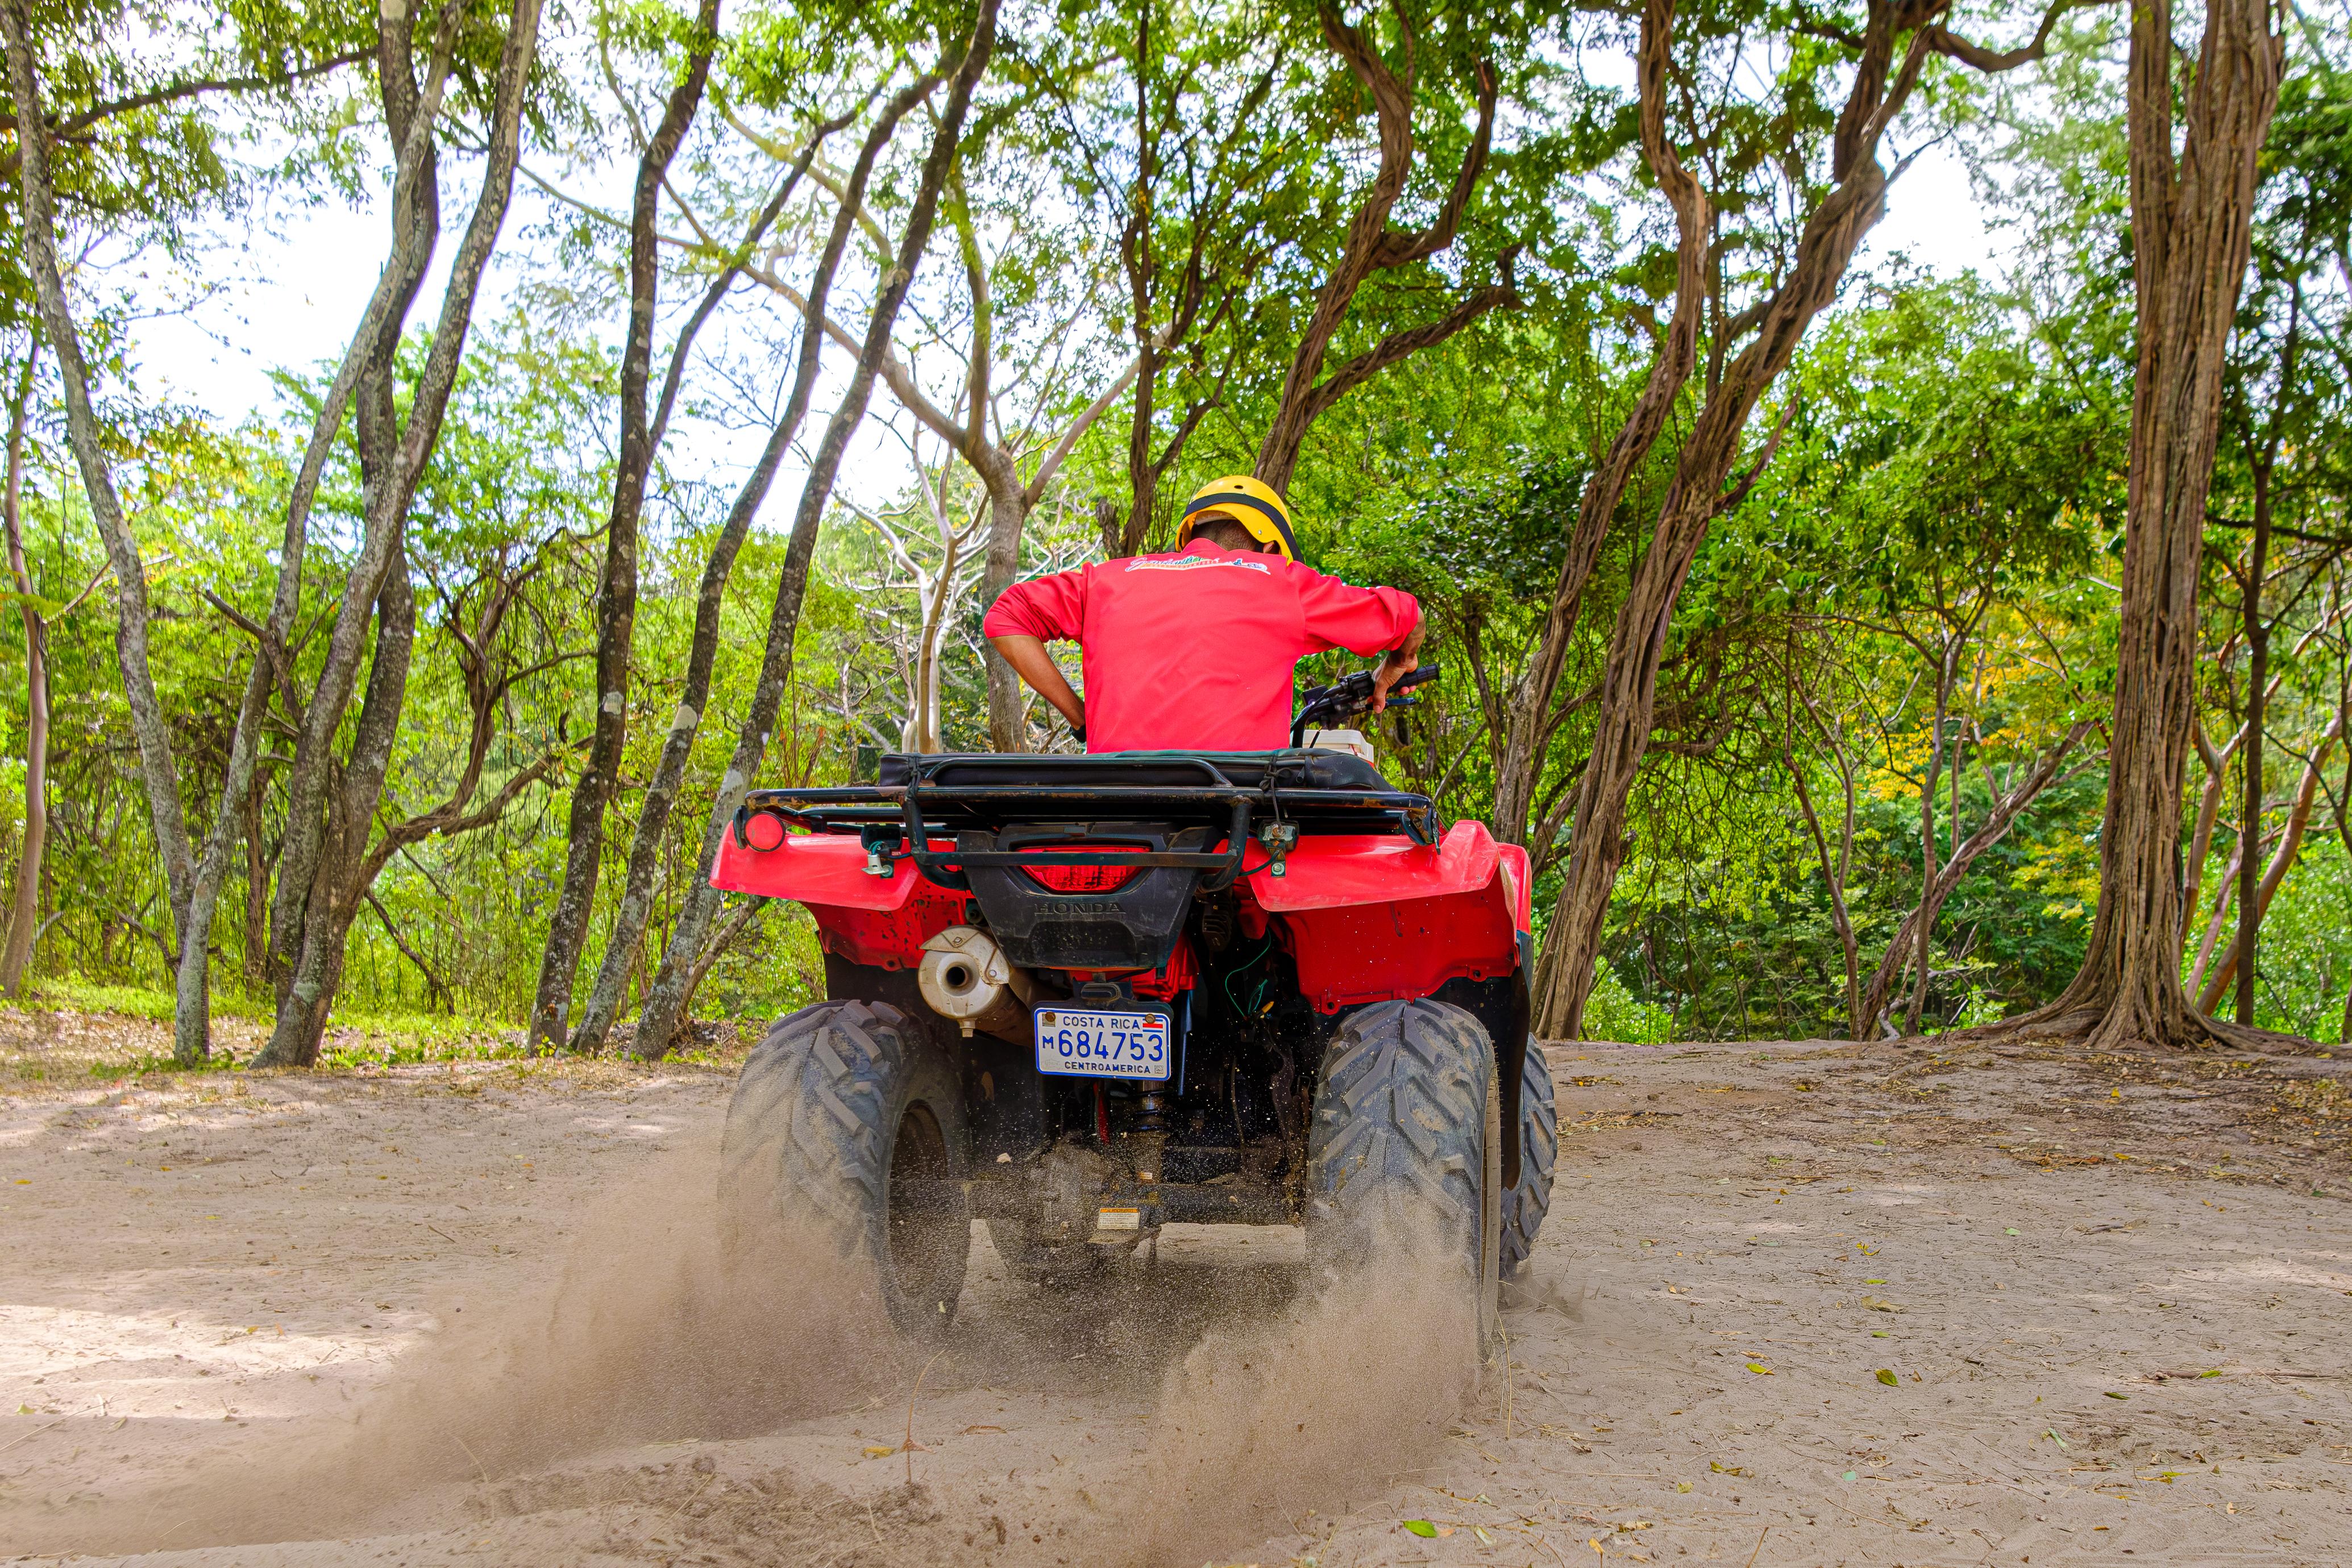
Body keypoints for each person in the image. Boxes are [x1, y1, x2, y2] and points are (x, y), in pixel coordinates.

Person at [982, 474, 1424, 753]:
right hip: (1235, 824)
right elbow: (1410, 617)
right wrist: (1395, 665)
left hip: (1117, 814)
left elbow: (1005, 619)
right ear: (1270, 546)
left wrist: (1083, 719)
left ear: (1191, 534)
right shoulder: (1280, 580)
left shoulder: (1106, 580)